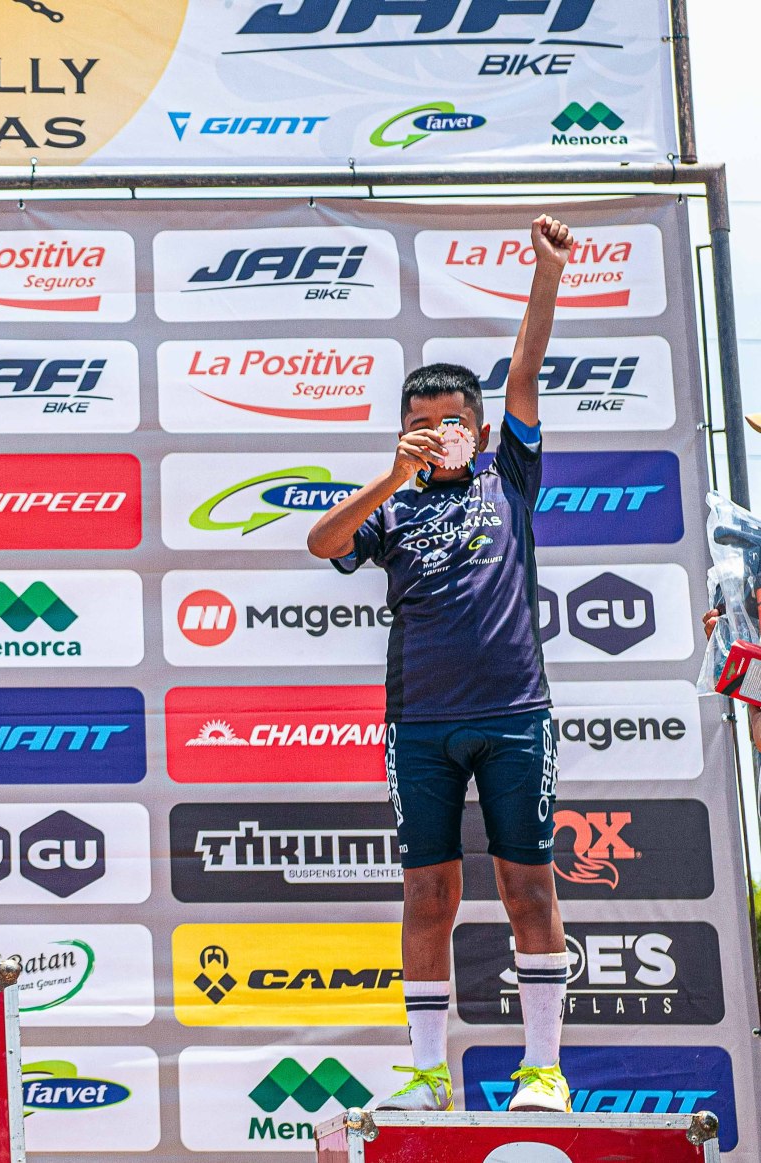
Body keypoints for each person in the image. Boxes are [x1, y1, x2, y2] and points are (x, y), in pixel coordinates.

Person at [306, 216, 577, 1113]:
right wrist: (392, 476)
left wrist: (546, 272)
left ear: (480, 427)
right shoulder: (390, 508)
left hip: (515, 715)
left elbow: (526, 369)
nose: (437, 435)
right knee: (427, 894)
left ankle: (543, 1070)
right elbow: (321, 542)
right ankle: (427, 1074)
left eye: (451, 422)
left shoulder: (511, 476)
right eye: (419, 426)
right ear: (401, 434)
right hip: (418, 725)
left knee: (528, 887)